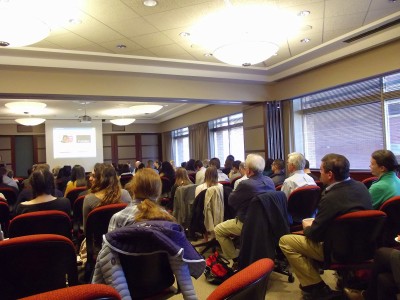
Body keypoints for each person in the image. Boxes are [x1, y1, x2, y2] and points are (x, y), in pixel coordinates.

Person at [279, 153, 373, 300]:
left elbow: (314, 235)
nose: (319, 174)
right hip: (366, 248)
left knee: (286, 241)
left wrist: (307, 226)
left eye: (321, 170)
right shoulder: (361, 187)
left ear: (330, 174)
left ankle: (316, 287)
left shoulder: (330, 197)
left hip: (338, 251)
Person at [214, 154, 275, 266]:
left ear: (248, 170)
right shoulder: (269, 181)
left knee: (218, 230)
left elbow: (231, 202)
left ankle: (236, 258)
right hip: (268, 222)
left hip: (247, 223)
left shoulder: (246, 184)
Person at [108, 168, 175, 232]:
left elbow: (109, 243)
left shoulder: (119, 218)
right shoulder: (167, 218)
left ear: (133, 189)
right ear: (158, 192)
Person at [82, 163, 131, 233]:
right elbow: (131, 222)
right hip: (122, 239)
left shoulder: (89, 199)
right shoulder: (125, 194)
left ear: (102, 179)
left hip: (98, 242)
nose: (89, 178)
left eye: (93, 176)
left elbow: (86, 230)